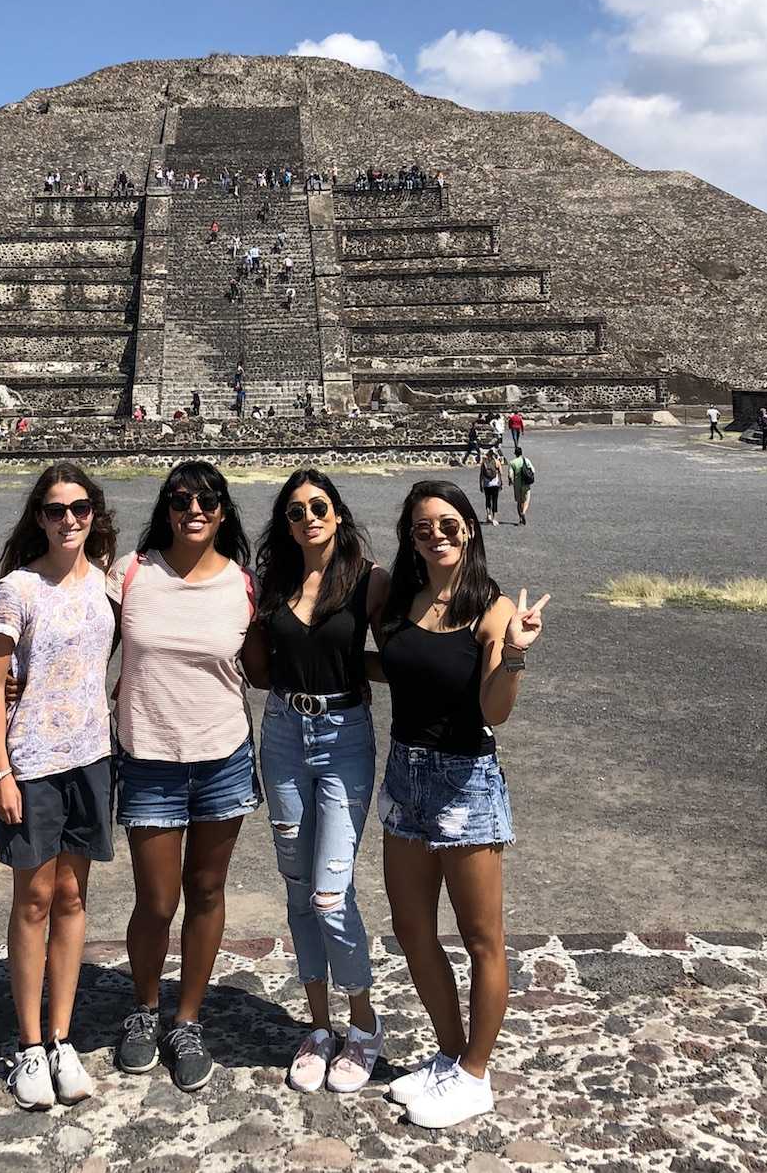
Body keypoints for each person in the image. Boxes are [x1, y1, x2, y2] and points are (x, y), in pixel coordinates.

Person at [370, 481, 548, 1129]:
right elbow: (399, 665)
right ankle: (449, 1055)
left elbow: (492, 707)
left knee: (481, 939)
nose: (435, 535)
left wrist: (516, 656)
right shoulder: (398, 601)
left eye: (448, 524)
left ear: (469, 529)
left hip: (465, 781)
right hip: (405, 779)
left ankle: (476, 1073)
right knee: (412, 929)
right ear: (410, 536)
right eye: (423, 527)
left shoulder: (492, 610)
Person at [98, 462, 259, 1094]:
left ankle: (187, 1018)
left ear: (223, 511)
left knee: (208, 892)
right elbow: (88, 643)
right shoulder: (132, 575)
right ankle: (144, 1009)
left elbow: (276, 657)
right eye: (181, 499)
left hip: (222, 755)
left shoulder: (244, 584)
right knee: (157, 900)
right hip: (149, 757)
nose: (194, 509)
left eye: (207, 500)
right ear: (166, 508)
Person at [247, 470, 389, 1094]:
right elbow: (254, 666)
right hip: (281, 732)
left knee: (331, 894)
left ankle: (364, 1025)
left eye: (319, 506)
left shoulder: (367, 579)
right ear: (286, 520)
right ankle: (320, 1027)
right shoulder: (271, 584)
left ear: (337, 513)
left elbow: (405, 647)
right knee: (299, 888)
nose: (309, 517)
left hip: (343, 735)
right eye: (296, 509)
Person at [0, 464, 118, 1111]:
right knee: (33, 898)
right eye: (57, 509)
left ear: (95, 514)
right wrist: (0, 770)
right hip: (32, 762)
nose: (70, 519)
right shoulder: (19, 588)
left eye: (81, 508)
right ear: (39, 516)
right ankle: (30, 1046)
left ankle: (63, 1038)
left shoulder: (112, 583)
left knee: (72, 896)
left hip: (92, 756)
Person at [507, 446, 534, 525]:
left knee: (519, 502)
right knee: (526, 500)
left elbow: (510, 475)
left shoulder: (512, 462)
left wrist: (510, 481)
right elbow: (533, 470)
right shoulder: (526, 460)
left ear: (515, 453)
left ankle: (520, 519)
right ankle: (524, 512)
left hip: (517, 485)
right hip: (526, 483)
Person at [478, 451, 503, 524]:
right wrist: (501, 483)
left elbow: (481, 475)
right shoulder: (497, 462)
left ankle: (488, 515)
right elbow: (501, 473)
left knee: (487, 499)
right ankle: (494, 518)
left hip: (486, 484)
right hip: (495, 484)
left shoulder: (484, 463)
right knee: (495, 500)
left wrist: (480, 484)